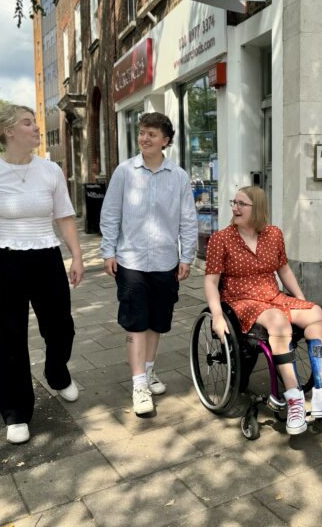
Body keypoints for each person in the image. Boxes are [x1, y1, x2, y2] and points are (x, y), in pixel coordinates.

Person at [0, 104, 84, 445]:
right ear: (8, 131)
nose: (36, 129)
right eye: (28, 123)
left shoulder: (51, 172)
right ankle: (16, 412)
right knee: (11, 338)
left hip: (47, 257)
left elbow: (65, 217)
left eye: (35, 123)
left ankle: (57, 374)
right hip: (6, 263)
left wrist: (77, 256)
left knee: (61, 329)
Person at [204, 186, 322, 436]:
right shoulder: (221, 239)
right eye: (233, 203)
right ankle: (294, 399)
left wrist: (301, 300)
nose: (235, 208)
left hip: (273, 296)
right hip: (242, 300)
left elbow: (284, 270)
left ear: (257, 208)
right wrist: (216, 315)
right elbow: (211, 281)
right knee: (278, 322)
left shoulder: (273, 234)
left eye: (241, 204)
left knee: (315, 312)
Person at [100, 112, 198, 416]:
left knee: (157, 321)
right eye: (142, 133)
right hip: (131, 261)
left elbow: (188, 220)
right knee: (136, 322)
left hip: (166, 262)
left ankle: (149, 370)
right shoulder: (125, 172)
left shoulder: (178, 176)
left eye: (151, 134)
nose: (144, 138)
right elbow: (110, 213)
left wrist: (186, 256)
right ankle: (138, 384)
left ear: (165, 140)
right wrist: (108, 251)